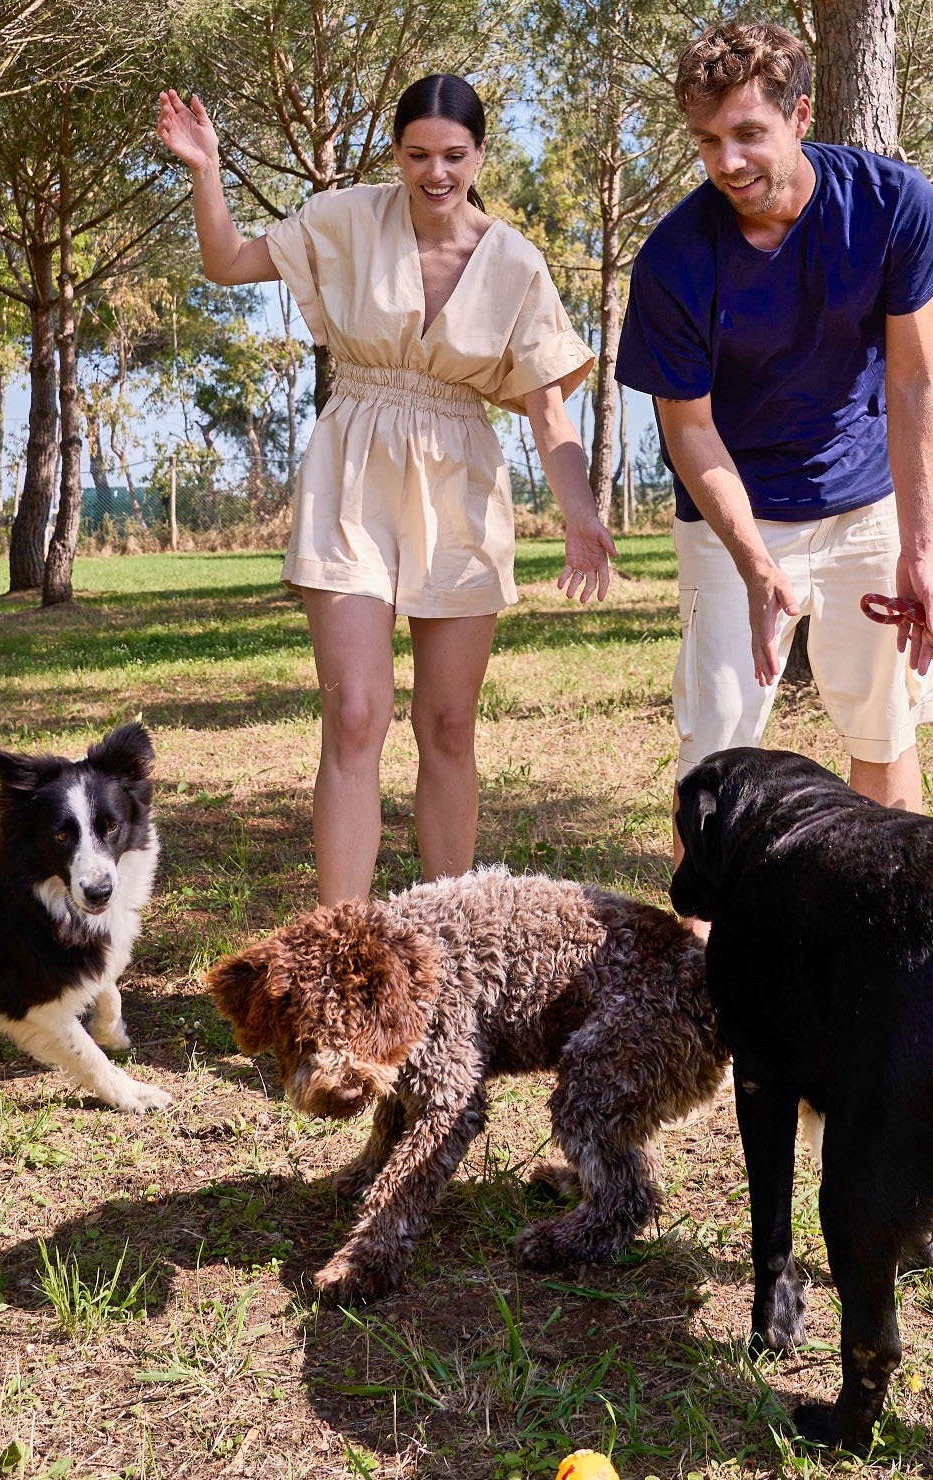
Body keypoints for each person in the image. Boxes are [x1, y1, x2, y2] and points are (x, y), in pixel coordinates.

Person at [158, 75, 614, 905]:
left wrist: (580, 515)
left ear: (481, 155)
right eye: (417, 155)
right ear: (395, 152)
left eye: (453, 156)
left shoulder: (515, 262)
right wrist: (207, 167)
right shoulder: (344, 219)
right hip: (354, 466)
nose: (435, 173)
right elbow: (225, 262)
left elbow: (548, 410)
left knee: (447, 727)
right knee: (357, 716)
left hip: (459, 481)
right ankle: (346, 946)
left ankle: (448, 945)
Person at [617, 22, 933, 816]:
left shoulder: (894, 207)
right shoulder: (672, 260)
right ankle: (698, 943)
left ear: (800, 116)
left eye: (747, 134)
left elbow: (913, 384)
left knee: (885, 728)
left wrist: (921, 548)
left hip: (866, 502)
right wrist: (754, 563)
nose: (726, 163)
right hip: (734, 512)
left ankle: (886, 935)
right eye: (707, 141)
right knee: (717, 762)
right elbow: (688, 429)